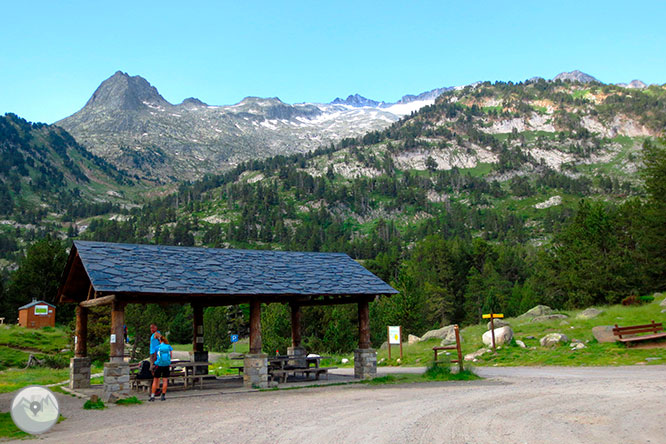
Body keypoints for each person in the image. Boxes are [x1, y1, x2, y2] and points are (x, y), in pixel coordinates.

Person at [150, 334, 173, 402]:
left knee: (155, 380)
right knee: (165, 380)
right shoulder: (169, 347)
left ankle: (153, 395)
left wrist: (154, 364)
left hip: (159, 365)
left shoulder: (157, 347)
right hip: (166, 365)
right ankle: (163, 396)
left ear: (159, 340)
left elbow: (155, 357)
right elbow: (170, 356)